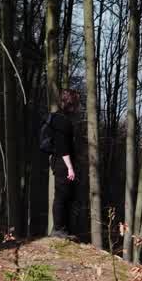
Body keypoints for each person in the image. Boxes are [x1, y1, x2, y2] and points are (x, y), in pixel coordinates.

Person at [44, 88, 80, 239]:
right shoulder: (62, 121)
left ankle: (62, 229)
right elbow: (63, 147)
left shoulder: (59, 119)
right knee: (61, 195)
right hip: (62, 163)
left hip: (58, 161)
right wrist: (70, 168)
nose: (78, 107)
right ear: (70, 104)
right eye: (76, 104)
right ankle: (58, 230)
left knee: (67, 196)